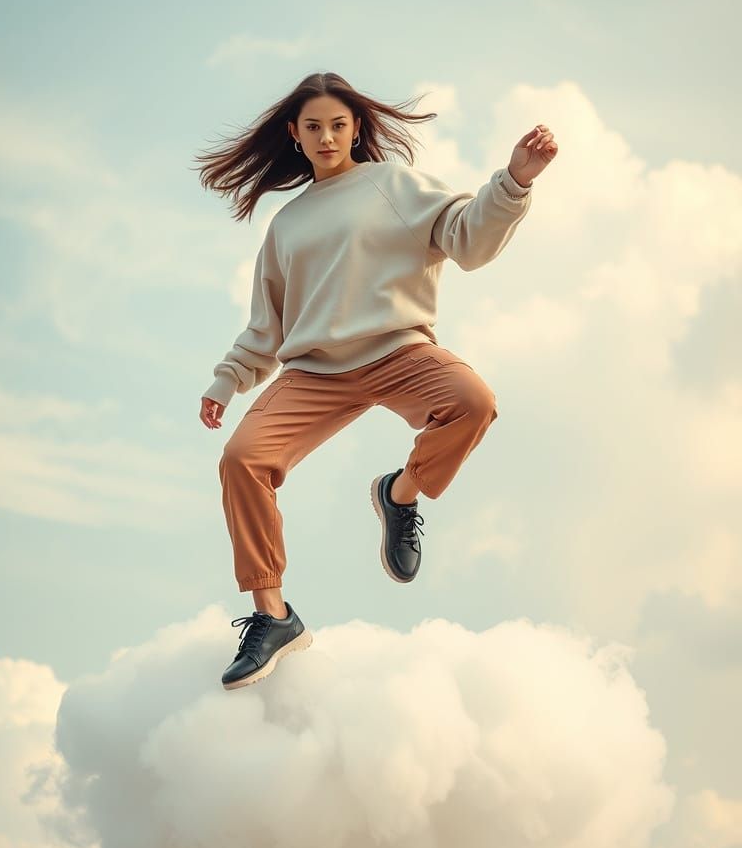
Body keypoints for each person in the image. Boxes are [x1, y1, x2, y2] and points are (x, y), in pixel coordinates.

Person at [193, 71, 558, 690]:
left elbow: (467, 241)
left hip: (398, 352)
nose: (327, 136)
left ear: (356, 128)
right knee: (241, 459)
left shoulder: (393, 185)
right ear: (296, 135)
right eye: (314, 127)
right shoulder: (287, 225)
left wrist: (515, 181)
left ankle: (401, 493)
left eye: (338, 124)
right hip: (314, 372)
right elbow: (266, 325)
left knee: (474, 401)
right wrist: (227, 381)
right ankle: (273, 616)